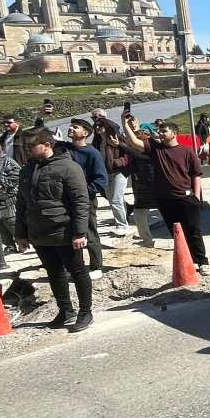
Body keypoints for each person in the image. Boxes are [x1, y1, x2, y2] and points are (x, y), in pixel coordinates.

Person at [15, 127, 95, 332]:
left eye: (31, 146)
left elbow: (80, 201)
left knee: (77, 271)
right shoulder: (27, 170)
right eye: (26, 146)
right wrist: (21, 233)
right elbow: (22, 203)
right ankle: (65, 310)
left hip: (65, 231)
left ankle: (85, 312)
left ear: (47, 145)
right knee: (54, 272)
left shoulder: (68, 167)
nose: (28, 150)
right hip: (39, 232)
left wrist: (79, 232)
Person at [119, 112, 210, 275]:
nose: (160, 134)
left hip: (186, 198)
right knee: (176, 233)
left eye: (164, 131)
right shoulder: (155, 149)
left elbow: (196, 174)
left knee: (193, 231)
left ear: (174, 133)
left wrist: (196, 197)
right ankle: (186, 262)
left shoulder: (186, 151)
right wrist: (124, 123)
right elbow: (133, 141)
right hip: (165, 200)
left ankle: (202, 261)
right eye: (159, 131)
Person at [60, 119, 108, 279]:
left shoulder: (92, 153)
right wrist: (41, 118)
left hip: (85, 199)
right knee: (69, 234)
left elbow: (101, 178)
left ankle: (96, 265)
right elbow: (42, 138)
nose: (71, 128)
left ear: (86, 133)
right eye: (71, 126)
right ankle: (75, 267)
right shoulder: (64, 148)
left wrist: (84, 193)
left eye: (75, 127)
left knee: (88, 231)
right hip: (65, 200)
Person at [95, 121, 132, 237]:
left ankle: (122, 225)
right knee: (113, 200)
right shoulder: (97, 142)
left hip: (119, 172)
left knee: (116, 199)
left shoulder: (116, 139)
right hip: (105, 174)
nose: (97, 128)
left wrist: (117, 162)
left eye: (100, 125)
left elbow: (128, 153)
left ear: (106, 127)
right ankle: (120, 220)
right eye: (95, 126)